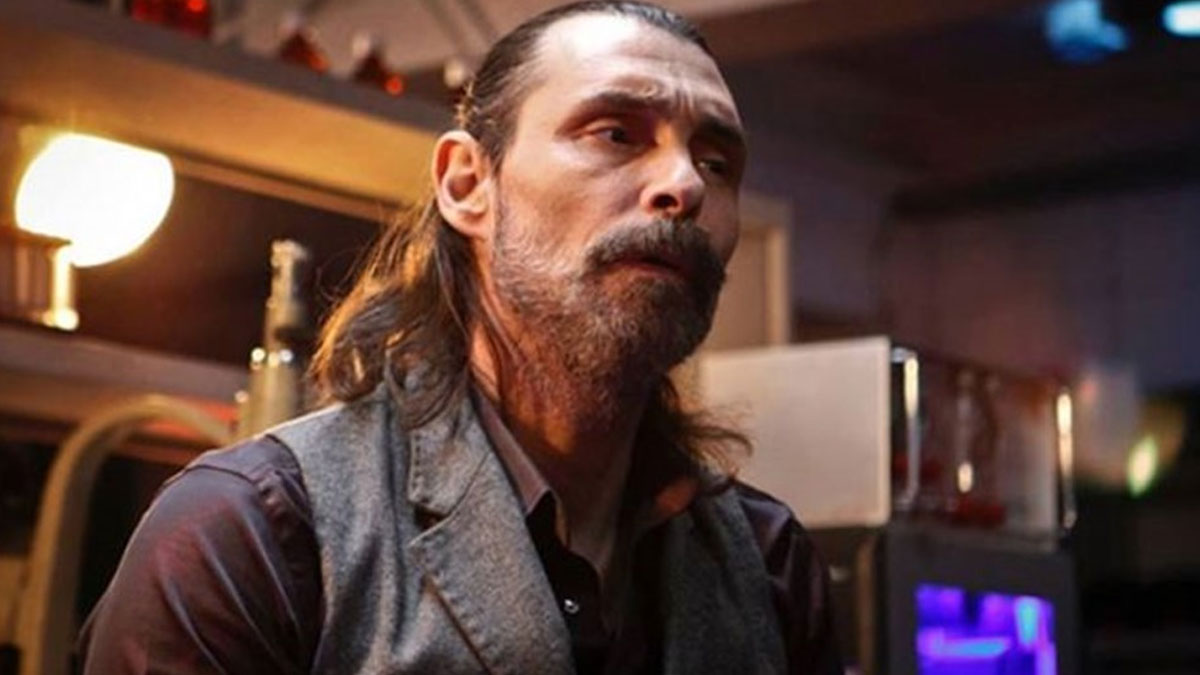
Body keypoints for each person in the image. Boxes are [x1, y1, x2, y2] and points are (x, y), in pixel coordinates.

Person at [79, 2, 842, 673]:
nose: (686, 184)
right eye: (615, 133)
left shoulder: (767, 562)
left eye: (716, 160)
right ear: (467, 184)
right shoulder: (252, 536)